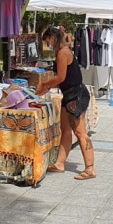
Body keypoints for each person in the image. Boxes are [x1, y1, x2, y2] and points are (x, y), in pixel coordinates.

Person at [37, 26, 96, 180]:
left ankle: (90, 168)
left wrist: (45, 85)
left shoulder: (63, 52)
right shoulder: (61, 52)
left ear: (53, 38)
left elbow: (61, 77)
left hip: (75, 95)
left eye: (48, 41)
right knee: (65, 129)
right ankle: (60, 163)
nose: (48, 44)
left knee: (80, 132)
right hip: (70, 95)